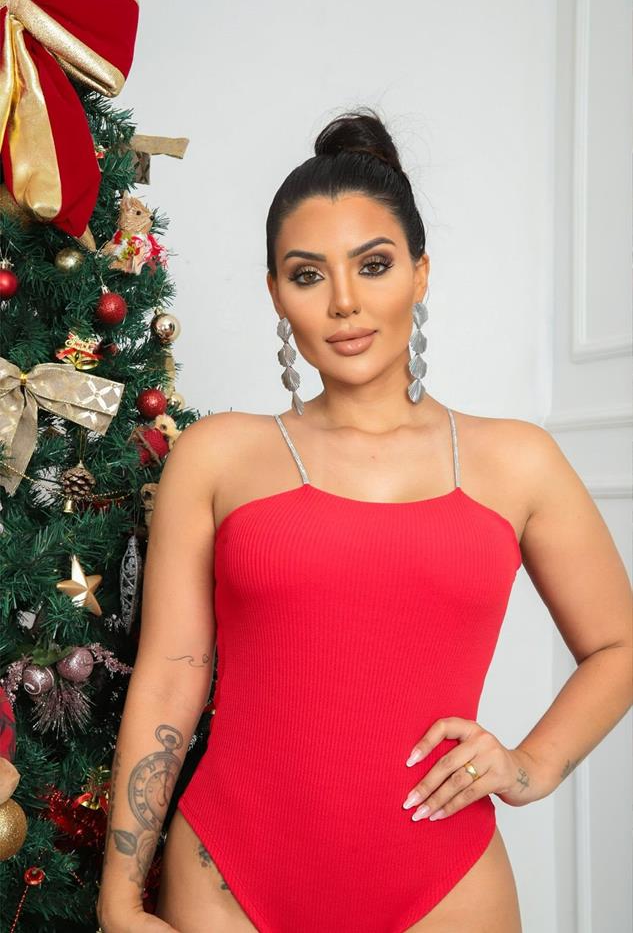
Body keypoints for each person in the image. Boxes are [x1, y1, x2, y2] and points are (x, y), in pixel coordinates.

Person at [96, 108, 633, 933]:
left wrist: (529, 767)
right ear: (275, 294)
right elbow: (171, 676)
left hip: (440, 883)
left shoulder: (514, 461)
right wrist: (118, 893)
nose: (344, 302)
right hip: (227, 875)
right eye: (307, 275)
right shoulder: (216, 456)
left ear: (420, 273)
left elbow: (616, 646)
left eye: (373, 265)